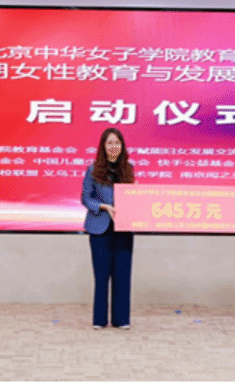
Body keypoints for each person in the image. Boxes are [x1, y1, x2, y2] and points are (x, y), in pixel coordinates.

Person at [80, 128, 135, 330]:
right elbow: (86, 199)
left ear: (122, 146)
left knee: (123, 274)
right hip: (99, 228)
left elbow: (133, 196)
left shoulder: (129, 168)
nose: (114, 146)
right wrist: (104, 207)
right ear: (103, 146)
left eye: (117, 143)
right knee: (101, 275)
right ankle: (99, 320)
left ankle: (121, 319)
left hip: (124, 228)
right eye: (110, 143)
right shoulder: (93, 169)